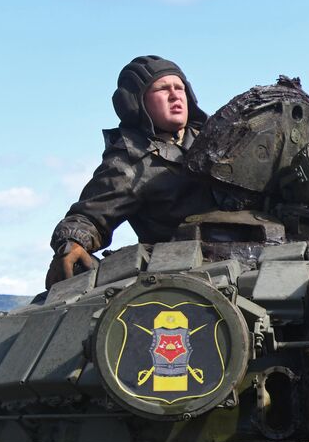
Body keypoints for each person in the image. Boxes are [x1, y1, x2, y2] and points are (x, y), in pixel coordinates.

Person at [46, 55, 217, 287]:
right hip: (184, 276)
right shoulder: (131, 161)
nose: (175, 95)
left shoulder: (219, 140)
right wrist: (72, 241)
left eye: (180, 88)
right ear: (137, 101)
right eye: (162, 89)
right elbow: (90, 216)